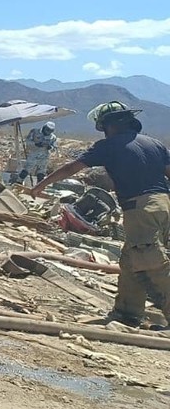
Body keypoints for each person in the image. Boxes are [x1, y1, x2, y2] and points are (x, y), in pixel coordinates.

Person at [30, 101, 170, 329]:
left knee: (152, 262)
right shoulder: (155, 144)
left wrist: (41, 185)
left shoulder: (108, 146)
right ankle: (127, 313)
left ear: (109, 125)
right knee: (131, 261)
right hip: (163, 206)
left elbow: (72, 168)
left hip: (141, 208)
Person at [18, 120, 59, 186]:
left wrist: (50, 147)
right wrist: (36, 144)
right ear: (44, 127)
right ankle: (18, 182)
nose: (48, 132)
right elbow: (27, 142)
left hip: (44, 156)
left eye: (50, 131)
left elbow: (55, 147)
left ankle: (39, 186)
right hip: (34, 154)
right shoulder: (34, 132)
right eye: (47, 130)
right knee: (27, 169)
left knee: (41, 172)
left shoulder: (53, 137)